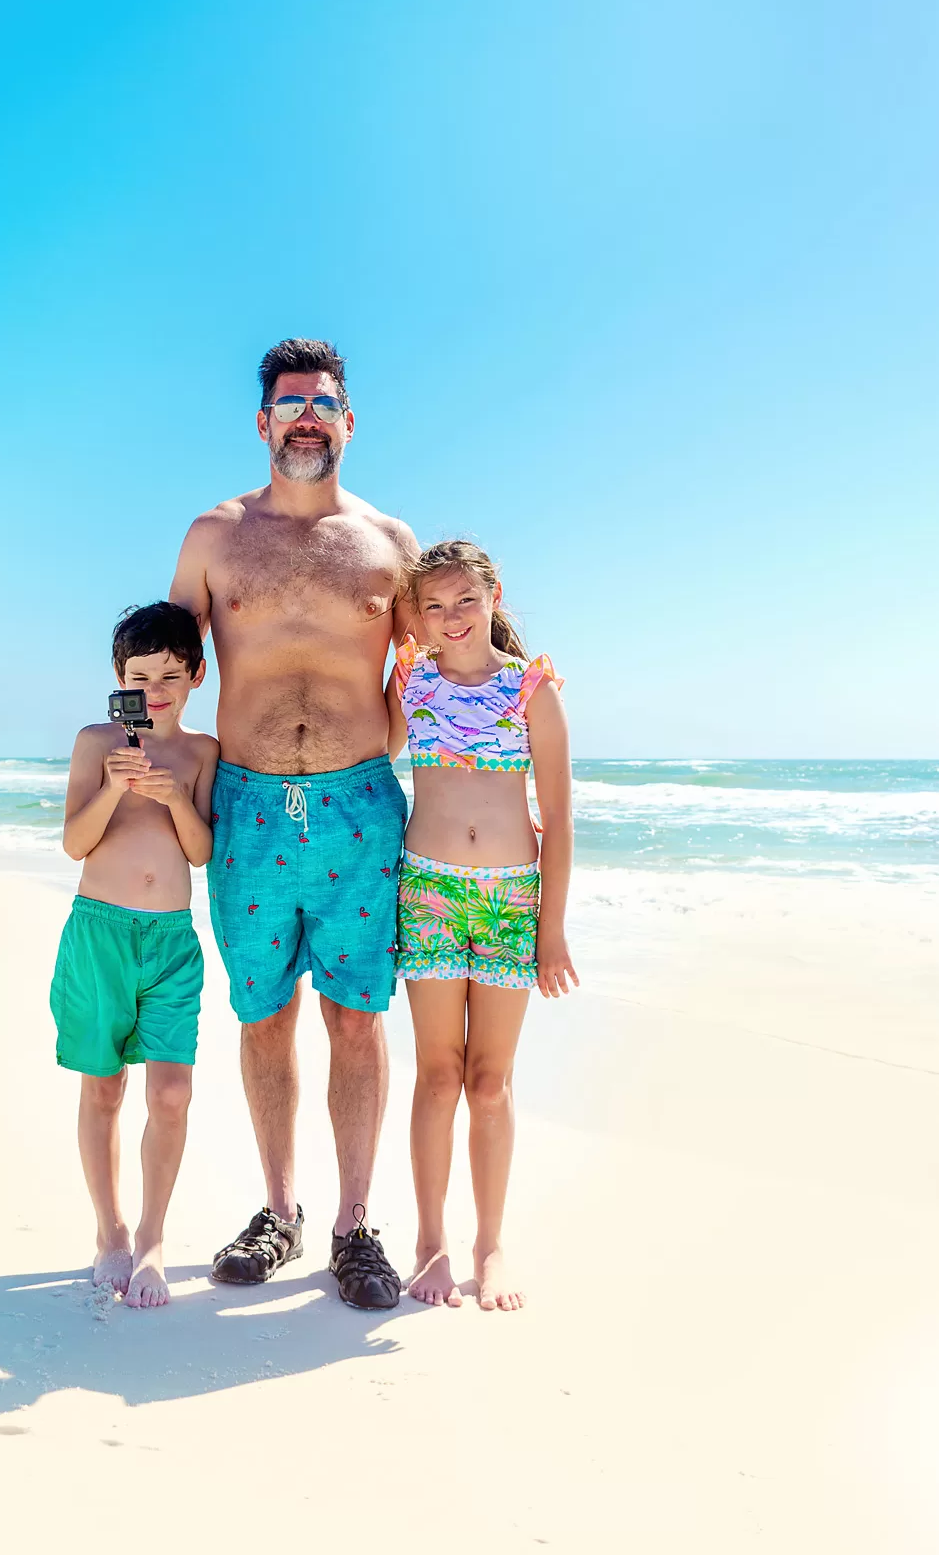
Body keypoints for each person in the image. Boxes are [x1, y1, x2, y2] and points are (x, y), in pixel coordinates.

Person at [169, 337, 417, 1309]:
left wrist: (525, 683)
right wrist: (142, 795)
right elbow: (166, 670)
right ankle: (280, 1212)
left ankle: (355, 1226)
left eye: (322, 403)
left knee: (355, 1019)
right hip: (248, 813)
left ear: (347, 423)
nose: (305, 416)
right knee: (262, 1015)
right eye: (288, 403)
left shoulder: (388, 544)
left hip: (360, 807)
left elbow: (433, 662)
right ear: (263, 422)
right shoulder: (213, 537)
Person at [386, 540, 578, 1311]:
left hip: (508, 900)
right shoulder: (410, 680)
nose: (451, 617)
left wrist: (550, 929)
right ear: (417, 617)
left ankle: (489, 1246)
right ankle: (429, 1246)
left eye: (464, 599)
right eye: (432, 605)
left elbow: (559, 819)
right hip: (428, 892)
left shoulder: (533, 690)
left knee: (490, 1083)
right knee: (437, 1076)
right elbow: (365, 754)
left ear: (493, 595)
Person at [49, 602, 219, 1308]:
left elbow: (201, 851)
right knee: (105, 1086)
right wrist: (117, 785)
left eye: (170, 677)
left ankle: (152, 1238)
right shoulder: (96, 741)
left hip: (171, 939)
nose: (155, 690)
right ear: (118, 679)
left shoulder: (202, 753)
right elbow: (75, 843)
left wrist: (174, 796)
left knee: (171, 1092)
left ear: (196, 677)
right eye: (140, 677)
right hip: (99, 933)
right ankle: (110, 1231)